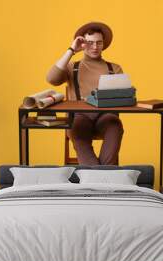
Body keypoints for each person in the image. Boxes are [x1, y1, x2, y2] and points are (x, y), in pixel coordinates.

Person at [46, 22, 124, 165]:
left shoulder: (114, 68)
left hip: (105, 115)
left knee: (115, 126)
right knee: (77, 130)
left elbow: (121, 96)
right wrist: (71, 49)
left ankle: (101, 176)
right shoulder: (72, 67)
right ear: (82, 44)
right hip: (80, 116)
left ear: (103, 44)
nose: (95, 47)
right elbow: (51, 78)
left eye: (99, 43)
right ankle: (98, 177)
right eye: (90, 43)